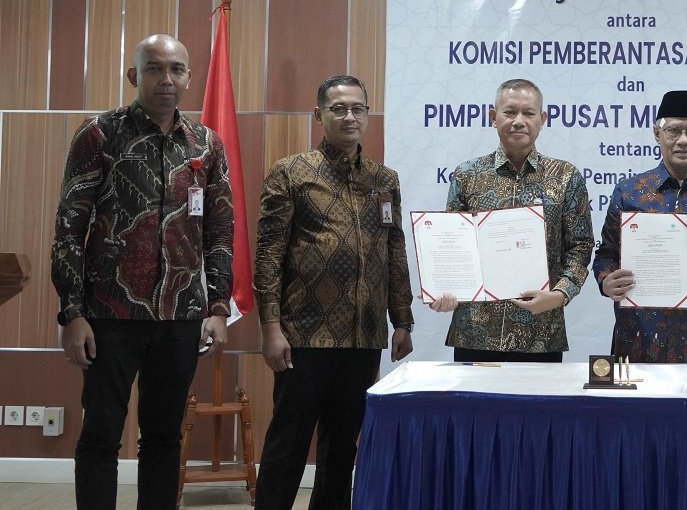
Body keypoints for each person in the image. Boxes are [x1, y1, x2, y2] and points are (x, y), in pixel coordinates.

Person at [51, 34, 233, 510]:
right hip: (109, 313)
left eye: (176, 69)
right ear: (134, 76)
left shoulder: (206, 144)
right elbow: (70, 227)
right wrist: (72, 313)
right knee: (100, 435)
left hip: (181, 315)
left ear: (189, 77)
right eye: (154, 68)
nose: (166, 79)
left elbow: (219, 229)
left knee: (164, 437)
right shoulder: (99, 134)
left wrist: (218, 308)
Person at [254, 75, 415, 510]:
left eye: (357, 108)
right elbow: (268, 255)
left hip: (364, 336)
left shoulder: (384, 179)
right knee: (287, 445)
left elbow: (394, 248)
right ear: (319, 115)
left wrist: (402, 319)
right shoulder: (292, 172)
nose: (349, 116)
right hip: (303, 334)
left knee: (342, 449)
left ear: (367, 114)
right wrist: (270, 327)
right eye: (338, 108)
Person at [428, 78, 593, 362]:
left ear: (542, 119)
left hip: (541, 333)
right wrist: (444, 290)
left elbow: (580, 247)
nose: (519, 121)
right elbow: (452, 245)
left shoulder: (565, 177)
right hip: (475, 332)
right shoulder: (467, 175)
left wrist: (559, 295)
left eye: (528, 113)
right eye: (509, 112)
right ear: (493, 117)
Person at [592, 90, 687, 363]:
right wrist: (606, 281)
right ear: (657, 134)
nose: (683, 140)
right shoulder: (629, 193)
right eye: (673, 130)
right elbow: (607, 254)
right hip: (639, 339)